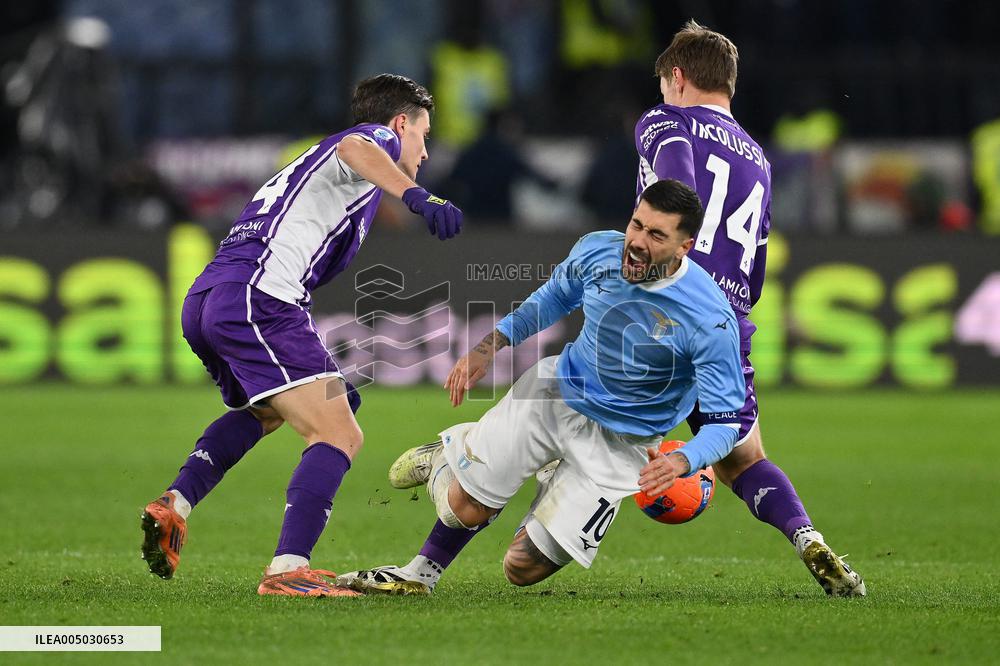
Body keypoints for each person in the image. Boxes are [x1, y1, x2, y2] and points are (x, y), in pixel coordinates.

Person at [344, 22, 866, 598]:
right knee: (743, 454)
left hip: (662, 305)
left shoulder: (665, 121)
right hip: (724, 316)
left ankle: (537, 475)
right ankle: (808, 539)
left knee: (625, 440)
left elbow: (675, 179)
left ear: (677, 77)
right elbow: (757, 260)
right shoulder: (759, 160)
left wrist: (662, 253)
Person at [139, 73, 463, 597]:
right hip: (257, 299)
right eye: (424, 136)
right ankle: (288, 570)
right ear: (401, 123)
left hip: (212, 298)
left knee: (270, 410)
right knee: (339, 433)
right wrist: (419, 197)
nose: (424, 152)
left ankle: (175, 505)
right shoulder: (373, 139)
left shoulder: (324, 172)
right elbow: (361, 146)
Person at [339, 179, 746, 592]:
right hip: (555, 396)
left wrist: (684, 460)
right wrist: (490, 344)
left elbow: (726, 424)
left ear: (685, 247)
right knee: (465, 508)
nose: (637, 242)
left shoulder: (711, 320)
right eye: (636, 225)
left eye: (656, 234)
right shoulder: (598, 250)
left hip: (623, 444)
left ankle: (521, 471)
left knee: (521, 569)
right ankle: (421, 570)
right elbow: (553, 299)